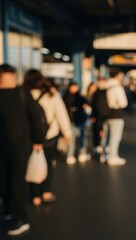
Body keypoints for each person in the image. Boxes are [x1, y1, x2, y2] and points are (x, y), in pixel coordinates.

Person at [0, 64, 46, 236]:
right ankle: (9, 211)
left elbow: (37, 117)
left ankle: (21, 218)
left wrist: (38, 140)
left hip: (20, 146)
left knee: (17, 182)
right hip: (3, 147)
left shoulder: (22, 94)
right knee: (4, 180)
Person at [23, 69, 72, 206]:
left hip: (30, 137)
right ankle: (46, 192)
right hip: (49, 136)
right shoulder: (52, 94)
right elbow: (61, 114)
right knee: (48, 164)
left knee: (31, 164)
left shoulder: (23, 95)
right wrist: (67, 133)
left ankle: (35, 195)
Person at [99, 71, 128, 166]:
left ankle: (103, 155)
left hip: (104, 114)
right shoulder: (117, 87)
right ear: (118, 75)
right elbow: (123, 103)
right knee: (115, 137)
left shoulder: (104, 86)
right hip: (116, 115)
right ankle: (112, 157)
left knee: (105, 137)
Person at [63, 82, 90, 164]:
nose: (74, 89)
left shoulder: (81, 97)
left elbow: (87, 105)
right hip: (71, 120)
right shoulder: (65, 98)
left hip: (81, 119)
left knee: (82, 137)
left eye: (76, 87)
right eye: (73, 87)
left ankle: (82, 153)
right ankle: (70, 155)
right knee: (71, 138)